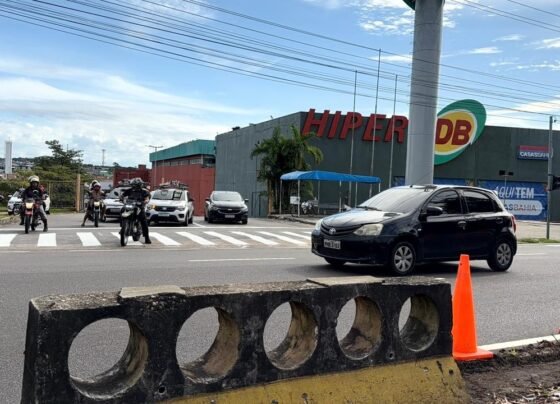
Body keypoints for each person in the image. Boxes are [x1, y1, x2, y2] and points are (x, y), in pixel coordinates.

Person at [120, 178, 151, 244]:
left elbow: (147, 198)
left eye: (136, 185)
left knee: (143, 220)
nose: (135, 187)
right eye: (134, 185)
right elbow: (123, 195)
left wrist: (145, 201)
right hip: (130, 205)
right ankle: (122, 226)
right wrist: (121, 198)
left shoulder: (144, 191)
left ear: (140, 185)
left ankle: (147, 237)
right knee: (122, 210)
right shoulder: (129, 190)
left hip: (139, 207)